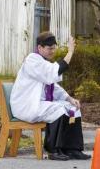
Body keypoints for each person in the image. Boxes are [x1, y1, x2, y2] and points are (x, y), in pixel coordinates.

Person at [10, 32, 91, 161]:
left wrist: (69, 98)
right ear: (40, 48)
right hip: (27, 105)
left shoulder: (43, 62)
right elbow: (53, 72)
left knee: (73, 108)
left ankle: (72, 149)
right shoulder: (32, 59)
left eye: (54, 48)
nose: (52, 51)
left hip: (38, 103)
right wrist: (70, 52)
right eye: (49, 48)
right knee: (57, 110)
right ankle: (53, 150)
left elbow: (53, 86)